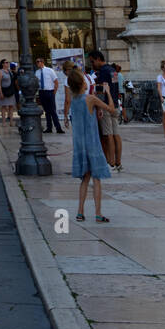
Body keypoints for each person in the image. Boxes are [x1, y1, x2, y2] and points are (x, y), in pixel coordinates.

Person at [67, 67, 113, 223]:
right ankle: (98, 213)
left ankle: (80, 212)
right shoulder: (90, 99)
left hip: (80, 145)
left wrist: (97, 109)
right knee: (97, 179)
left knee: (85, 179)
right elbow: (112, 110)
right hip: (92, 143)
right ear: (82, 83)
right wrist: (107, 92)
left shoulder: (75, 100)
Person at [88, 50, 121, 168]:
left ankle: (110, 163)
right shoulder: (113, 71)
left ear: (97, 59)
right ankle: (118, 162)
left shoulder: (103, 72)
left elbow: (101, 92)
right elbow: (116, 88)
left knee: (108, 135)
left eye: (92, 61)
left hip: (106, 105)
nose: (92, 64)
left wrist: (100, 108)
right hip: (115, 105)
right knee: (116, 134)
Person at [36, 58, 64, 134]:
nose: (37, 63)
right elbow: (36, 83)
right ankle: (49, 127)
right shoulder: (37, 72)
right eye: (36, 62)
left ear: (42, 62)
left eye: (38, 61)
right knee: (47, 111)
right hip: (42, 92)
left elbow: (56, 82)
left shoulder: (50, 70)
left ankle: (58, 128)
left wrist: (53, 93)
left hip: (50, 92)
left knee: (53, 111)